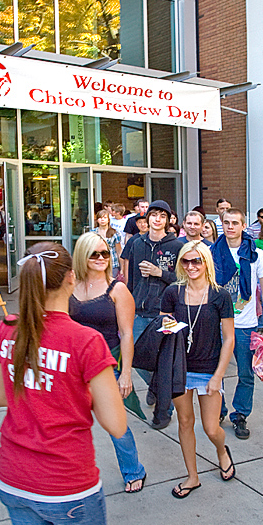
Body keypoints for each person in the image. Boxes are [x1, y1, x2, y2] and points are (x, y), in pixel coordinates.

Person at [0, 242, 127, 525]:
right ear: (70, 279)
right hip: (67, 484)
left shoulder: (9, 328)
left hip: (13, 477)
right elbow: (117, 424)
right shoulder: (86, 341)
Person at [70, 232, 146, 493]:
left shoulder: (118, 289)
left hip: (107, 367)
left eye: (105, 253)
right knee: (71, 425)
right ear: (82, 256)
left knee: (116, 425)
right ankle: (73, 474)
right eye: (94, 254)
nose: (101, 258)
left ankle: (133, 470)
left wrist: (126, 374)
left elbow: (127, 334)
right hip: (73, 368)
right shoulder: (69, 286)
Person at [161, 241, 235, 497]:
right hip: (179, 367)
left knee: (211, 428)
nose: (191, 266)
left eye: (197, 261)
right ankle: (192, 477)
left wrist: (218, 376)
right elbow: (163, 327)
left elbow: (229, 338)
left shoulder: (219, 295)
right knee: (184, 421)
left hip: (208, 368)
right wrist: (166, 324)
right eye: (186, 261)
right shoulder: (173, 292)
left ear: (206, 263)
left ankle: (221, 450)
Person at [211, 208, 263, 439]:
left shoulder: (256, 254)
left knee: (246, 373)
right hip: (216, 323)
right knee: (213, 371)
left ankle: (240, 415)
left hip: (245, 325)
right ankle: (217, 410)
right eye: (226, 222)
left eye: (235, 223)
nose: (230, 227)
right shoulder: (211, 252)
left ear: (243, 226)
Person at [128, 199, 183, 426]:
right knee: (137, 359)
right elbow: (131, 278)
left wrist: (160, 272)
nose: (157, 219)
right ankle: (156, 386)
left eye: (162, 215)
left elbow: (183, 280)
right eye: (153, 215)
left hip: (165, 312)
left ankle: (165, 407)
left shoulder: (177, 246)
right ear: (147, 218)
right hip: (139, 311)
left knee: (163, 362)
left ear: (169, 220)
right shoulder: (136, 243)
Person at [120, 213, 148, 284]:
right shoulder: (133, 240)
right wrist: (127, 280)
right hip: (136, 276)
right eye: (140, 222)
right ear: (136, 224)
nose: (143, 225)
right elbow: (127, 260)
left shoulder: (155, 238)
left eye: (145, 222)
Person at [93, 210, 122, 278]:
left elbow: (119, 251)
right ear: (97, 220)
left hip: (113, 263)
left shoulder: (115, 233)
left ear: (108, 220)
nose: (102, 220)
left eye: (105, 217)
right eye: (100, 218)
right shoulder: (93, 233)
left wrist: (122, 268)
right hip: (97, 262)